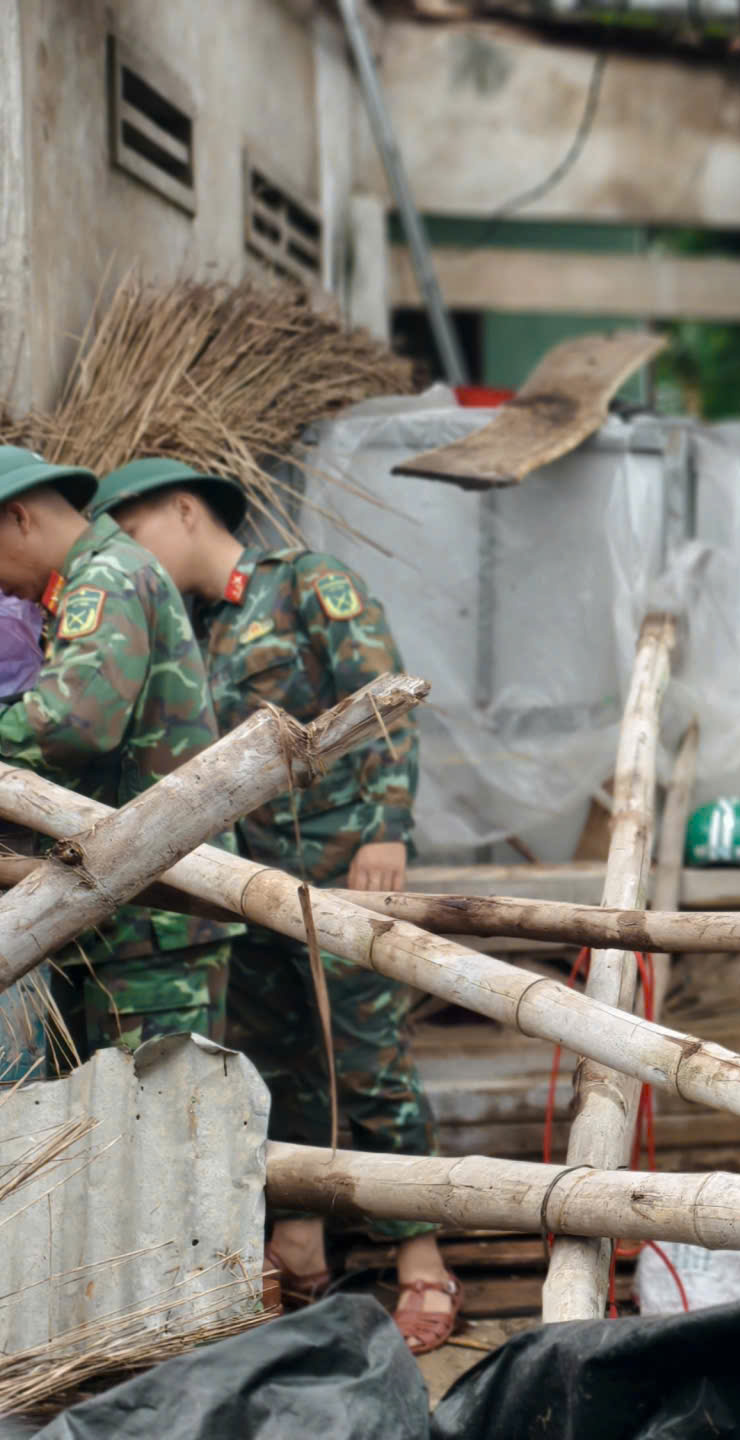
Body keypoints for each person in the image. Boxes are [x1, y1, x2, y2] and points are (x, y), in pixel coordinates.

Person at [90, 457, 457, 1350]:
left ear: (186, 511)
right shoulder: (184, 627)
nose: (127, 555)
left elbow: (385, 701)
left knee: (367, 1049)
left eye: (134, 531)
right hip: (242, 882)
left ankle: (423, 1259)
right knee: (276, 1056)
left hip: (341, 865)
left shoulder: (307, 583)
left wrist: (387, 829)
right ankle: (299, 1239)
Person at [0, 446, 240, 1062]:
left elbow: (73, 722)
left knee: (163, 1122)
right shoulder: (83, 584)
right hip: (120, 906)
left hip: (153, 918)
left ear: (20, 519)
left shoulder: (107, 575)